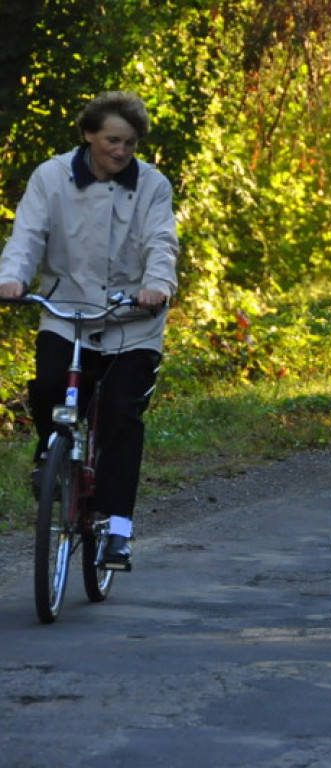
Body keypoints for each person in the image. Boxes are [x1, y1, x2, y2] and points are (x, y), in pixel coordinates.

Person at [0, 91, 178, 570]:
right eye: (113, 140)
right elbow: (28, 234)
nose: (122, 152)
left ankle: (118, 528)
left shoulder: (152, 185)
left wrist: (157, 285)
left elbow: (161, 240)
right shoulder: (51, 177)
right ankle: (50, 456)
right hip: (66, 309)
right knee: (48, 386)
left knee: (122, 416)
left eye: (131, 144)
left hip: (131, 319)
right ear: (88, 135)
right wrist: (11, 277)